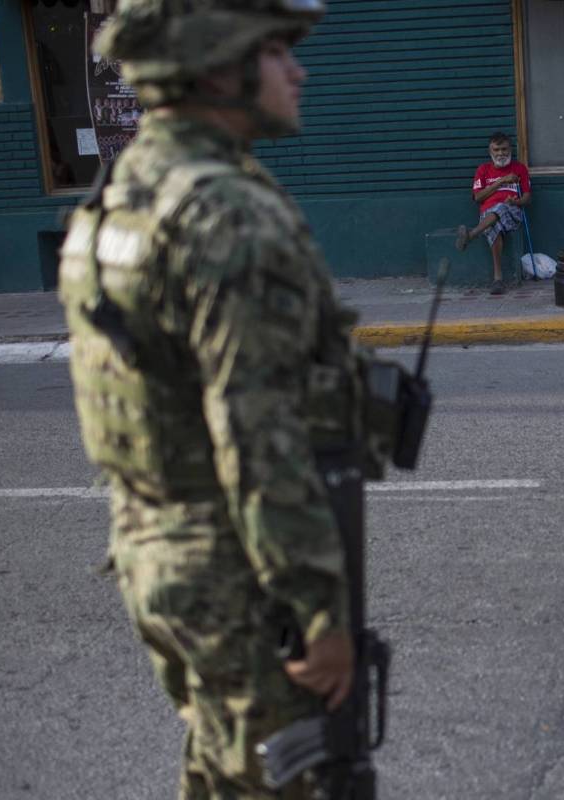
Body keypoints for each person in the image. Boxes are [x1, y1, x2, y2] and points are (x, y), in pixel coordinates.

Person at [58, 1, 387, 796]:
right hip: (239, 580)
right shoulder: (227, 214)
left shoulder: (118, 199)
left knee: (223, 770)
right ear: (216, 65)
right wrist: (318, 614)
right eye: (276, 49)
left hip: (156, 557)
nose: (297, 70)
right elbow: (259, 438)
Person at [455, 132, 532, 295]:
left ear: (510, 149)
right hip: (488, 214)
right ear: (490, 152)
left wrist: (516, 202)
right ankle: (498, 280)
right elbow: (478, 197)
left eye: (504, 149)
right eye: (496, 150)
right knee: (493, 227)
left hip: (513, 212)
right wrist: (501, 181)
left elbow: (526, 197)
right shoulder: (483, 170)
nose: (501, 153)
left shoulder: (519, 169)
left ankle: (472, 233)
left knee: (501, 207)